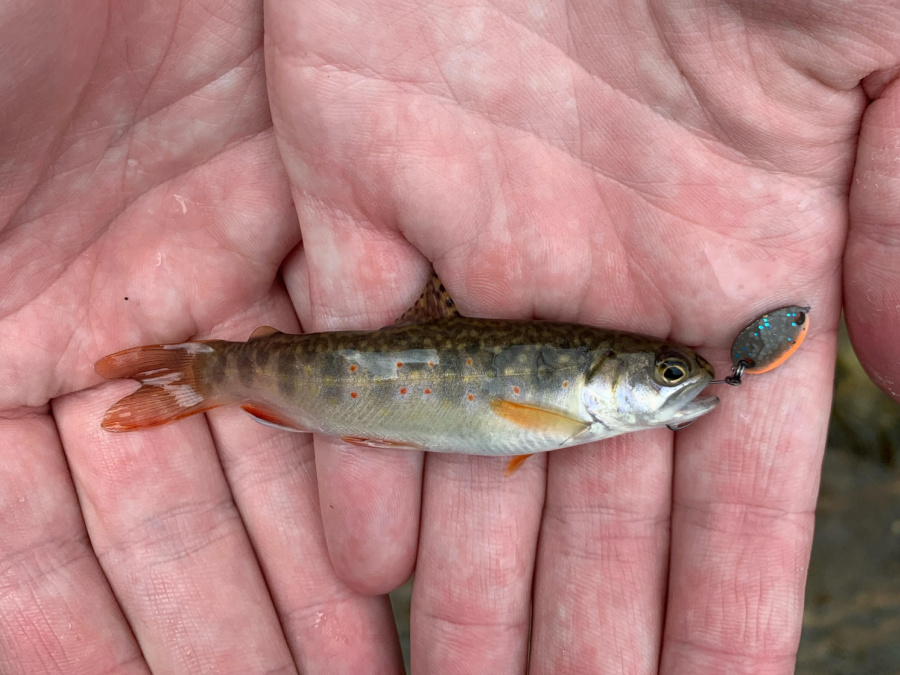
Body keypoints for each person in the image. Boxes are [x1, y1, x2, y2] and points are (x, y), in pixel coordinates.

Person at [1, 0, 898, 672]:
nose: (687, 384)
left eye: (671, 374)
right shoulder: (568, 416)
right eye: (667, 374)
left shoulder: (578, 407)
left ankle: (215, 375)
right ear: (606, 375)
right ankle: (212, 375)